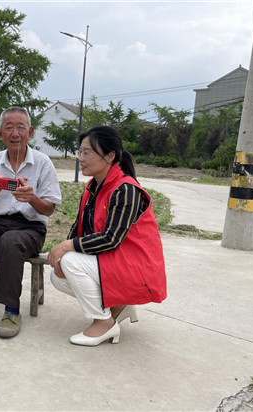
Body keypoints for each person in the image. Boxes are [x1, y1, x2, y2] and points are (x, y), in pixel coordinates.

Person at [47, 126, 166, 347]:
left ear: (110, 156)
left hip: (136, 268)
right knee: (58, 275)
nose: (81, 158)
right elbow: (79, 227)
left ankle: (104, 323)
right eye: (79, 152)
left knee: (71, 261)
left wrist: (67, 247)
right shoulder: (94, 188)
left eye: (87, 152)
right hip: (116, 262)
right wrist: (63, 250)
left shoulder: (126, 190)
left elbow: (111, 238)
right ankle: (117, 306)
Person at [0, 106, 62, 338]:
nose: (15, 133)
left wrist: (32, 198)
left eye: (20, 127)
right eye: (9, 128)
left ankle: (12, 310)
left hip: (31, 228)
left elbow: (50, 209)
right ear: (0, 133)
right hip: (0, 224)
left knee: (10, 241)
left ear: (30, 131)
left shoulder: (43, 163)